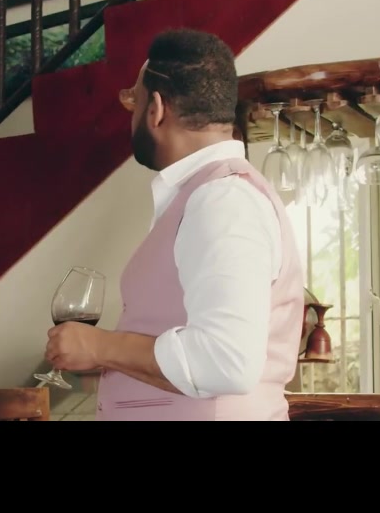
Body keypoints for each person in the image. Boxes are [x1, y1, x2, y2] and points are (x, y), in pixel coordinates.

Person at [43, 28, 306, 420]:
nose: (132, 115)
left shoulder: (222, 200)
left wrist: (100, 346)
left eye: (134, 101)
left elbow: (227, 362)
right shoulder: (210, 196)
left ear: (156, 109)